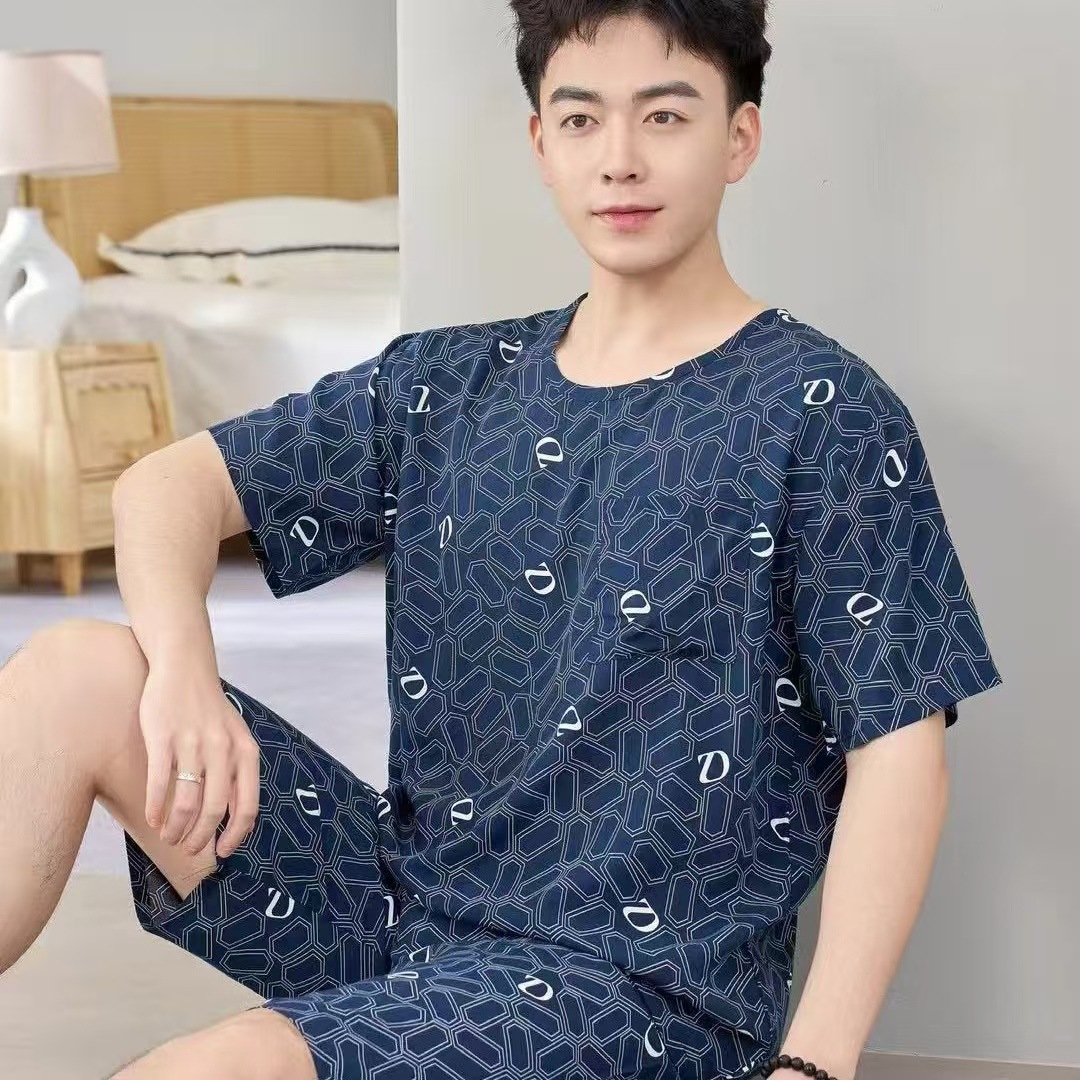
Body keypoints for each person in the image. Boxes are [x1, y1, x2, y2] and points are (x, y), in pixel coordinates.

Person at [0, 3, 1004, 1079]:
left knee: (222, 1066)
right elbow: (165, 486)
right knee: (78, 673)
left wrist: (814, 1065)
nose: (619, 159)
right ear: (541, 145)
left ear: (739, 137)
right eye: (581, 120)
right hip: (404, 910)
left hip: (639, 993)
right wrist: (184, 675)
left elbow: (901, 753)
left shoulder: (822, 411)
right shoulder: (445, 383)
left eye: (665, 116)